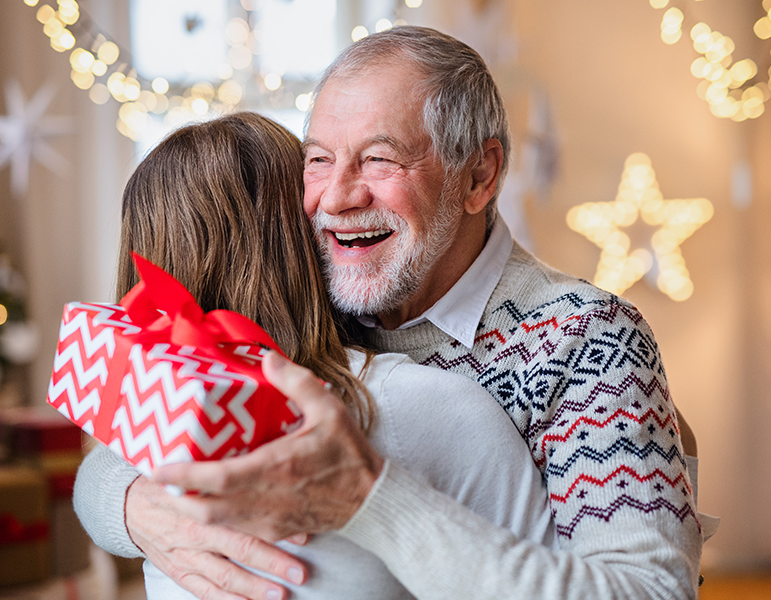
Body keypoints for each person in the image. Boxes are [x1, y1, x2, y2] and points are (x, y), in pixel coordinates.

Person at [77, 25, 707, 600]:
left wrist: (369, 498)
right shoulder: (316, 300)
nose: (340, 197)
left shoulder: (589, 339)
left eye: (380, 158)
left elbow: (650, 594)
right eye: (319, 159)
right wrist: (134, 507)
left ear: (479, 176)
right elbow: (120, 443)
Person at [73, 111, 556, 600]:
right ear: (301, 235)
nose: (341, 202)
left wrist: (123, 502)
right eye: (318, 174)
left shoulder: (146, 420)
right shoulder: (413, 403)